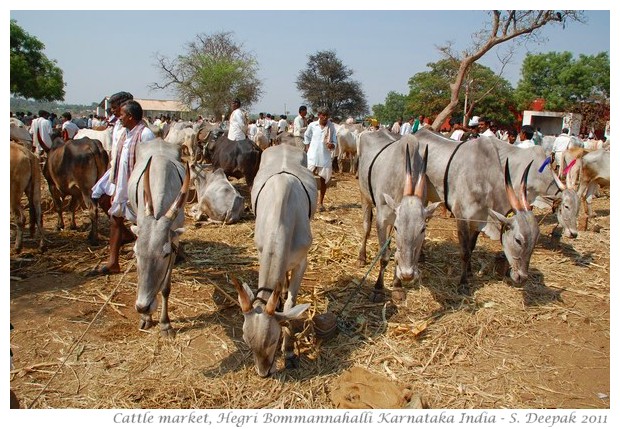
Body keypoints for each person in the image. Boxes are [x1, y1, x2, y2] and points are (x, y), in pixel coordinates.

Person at [90, 94, 155, 276]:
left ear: (131, 117)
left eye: (122, 114)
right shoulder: (125, 133)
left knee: (146, 224)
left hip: (137, 188)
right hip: (121, 184)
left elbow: (151, 164)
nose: (118, 116)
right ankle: (113, 263)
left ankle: (155, 261)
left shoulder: (145, 134)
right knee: (115, 219)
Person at [304, 107, 337, 212]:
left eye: (327, 115)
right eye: (323, 115)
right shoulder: (312, 125)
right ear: (319, 115)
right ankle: (306, 201)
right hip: (312, 156)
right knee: (307, 178)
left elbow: (334, 142)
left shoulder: (331, 127)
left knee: (323, 180)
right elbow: (306, 136)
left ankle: (320, 203)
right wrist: (308, 148)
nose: (325, 117)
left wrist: (332, 145)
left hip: (324, 156)